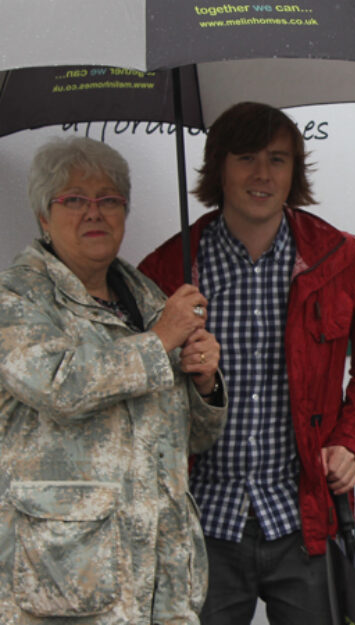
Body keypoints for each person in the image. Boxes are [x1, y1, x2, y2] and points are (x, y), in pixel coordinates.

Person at [139, 101, 355, 624]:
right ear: (220, 168)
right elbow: (140, 384)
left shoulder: (339, 256)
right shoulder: (169, 266)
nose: (262, 174)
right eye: (246, 158)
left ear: (293, 173)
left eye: (277, 159)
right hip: (202, 524)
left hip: (303, 519)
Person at [0, 137, 226, 624]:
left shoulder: (147, 296)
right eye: (74, 199)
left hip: (160, 587)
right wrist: (160, 340)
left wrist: (204, 383)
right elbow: (60, 386)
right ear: (43, 217)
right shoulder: (15, 297)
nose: (94, 212)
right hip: (65, 586)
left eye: (109, 199)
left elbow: (193, 437)